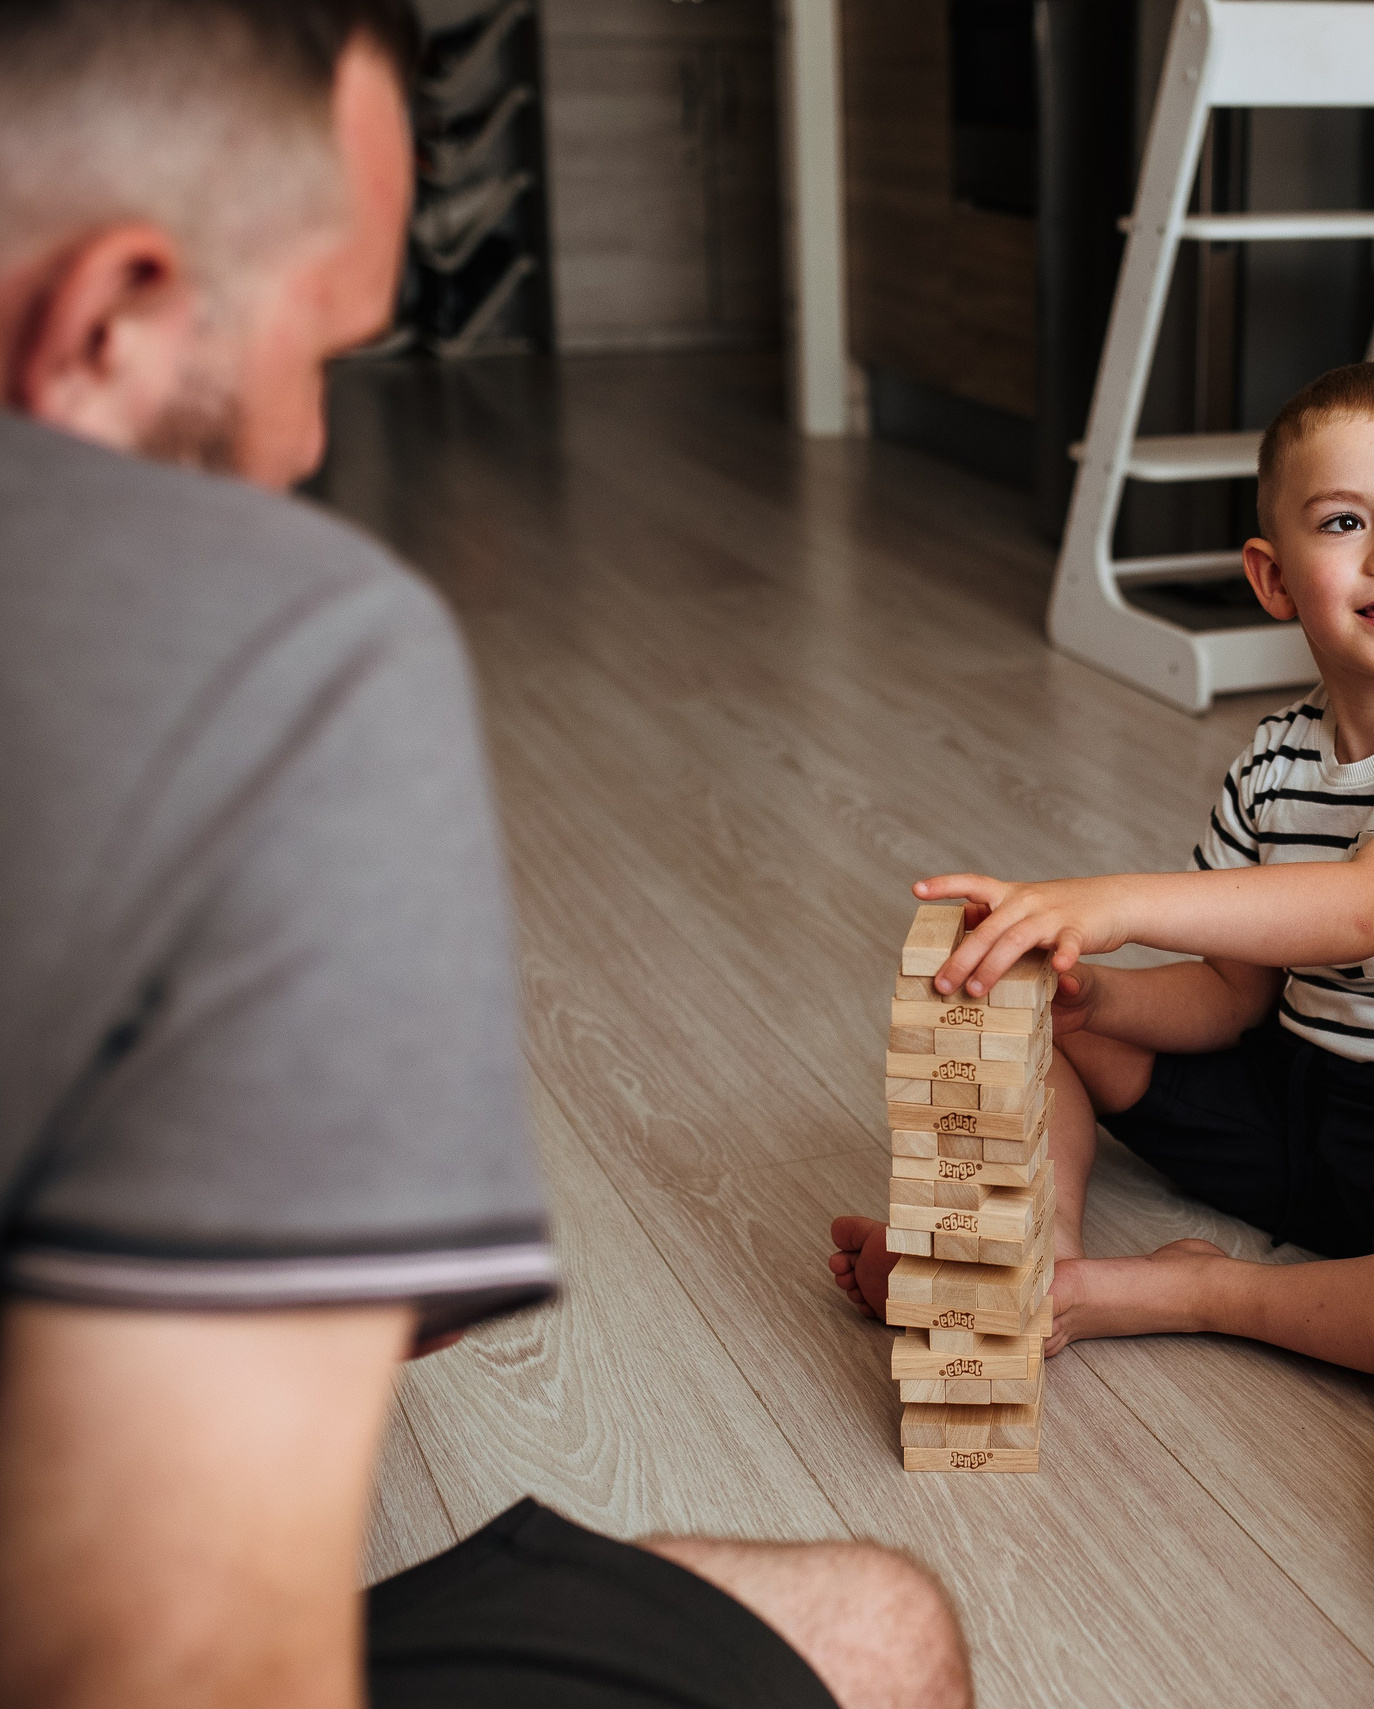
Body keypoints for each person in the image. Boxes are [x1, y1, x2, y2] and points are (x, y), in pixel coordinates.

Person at [0, 5, 969, 1706]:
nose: (307, 449)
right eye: (319, 344)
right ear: (109, 314)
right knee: (878, 1634)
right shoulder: (290, 656)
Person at [828, 362, 1374, 1381]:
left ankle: (1201, 1289)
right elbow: (1227, 997)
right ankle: (1042, 1265)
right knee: (1027, 1006)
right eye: (1344, 524)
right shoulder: (1273, 759)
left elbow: (1369, 905)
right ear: (1274, 577)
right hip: (1292, 1091)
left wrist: (1115, 898)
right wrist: (1092, 997)